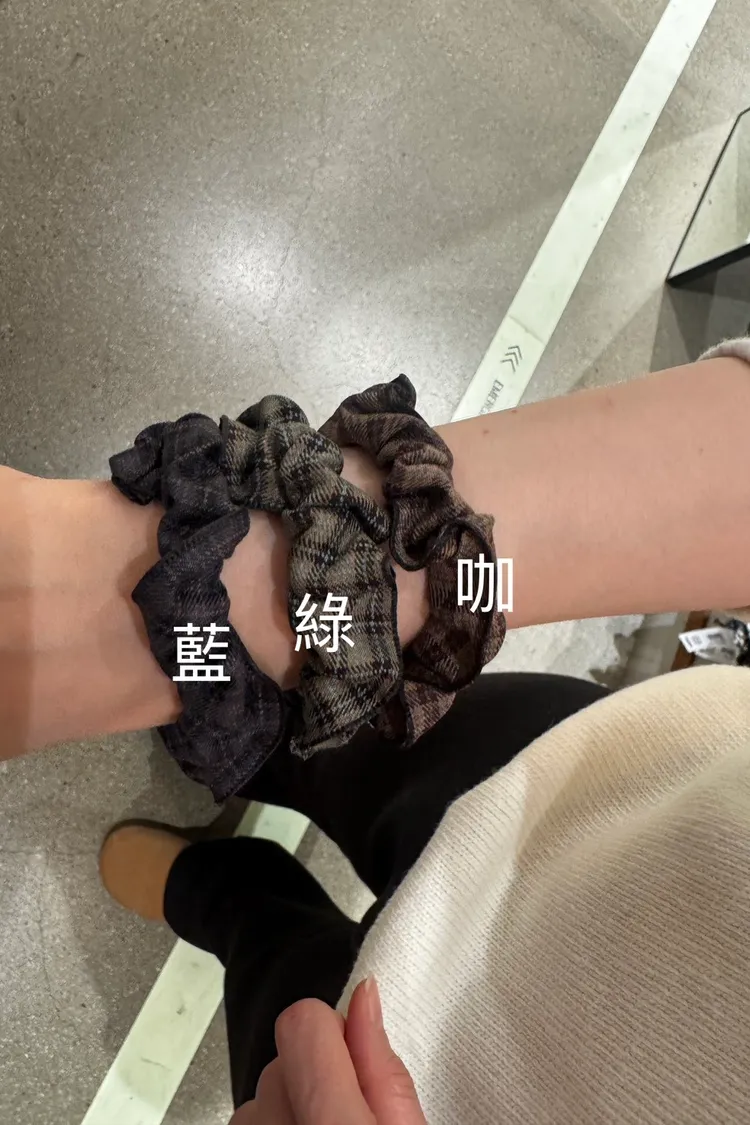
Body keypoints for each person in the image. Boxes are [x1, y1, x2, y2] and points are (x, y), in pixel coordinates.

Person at [4, 340, 750, 1122]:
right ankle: (247, 760)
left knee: (274, 962)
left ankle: (221, 892)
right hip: (613, 788)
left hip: (410, 1085)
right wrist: (269, 582)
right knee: (341, 746)